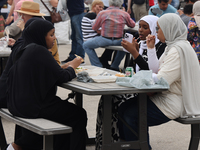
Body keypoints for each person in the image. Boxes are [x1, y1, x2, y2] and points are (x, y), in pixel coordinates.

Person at [118, 13, 200, 150]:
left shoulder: (177, 50)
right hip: (164, 96)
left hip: (174, 101)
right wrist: (150, 49)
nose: (156, 32)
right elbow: (155, 70)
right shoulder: (172, 46)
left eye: (158, 29)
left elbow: (162, 80)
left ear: (169, 29)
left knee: (131, 116)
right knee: (123, 108)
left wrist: (137, 78)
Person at [6, 19, 87, 150]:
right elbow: (62, 77)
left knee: (64, 113)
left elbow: (53, 71)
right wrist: (73, 66)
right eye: (51, 35)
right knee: (78, 114)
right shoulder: (39, 50)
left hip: (16, 104)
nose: (54, 38)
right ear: (40, 35)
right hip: (32, 106)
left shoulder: (27, 47)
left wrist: (65, 67)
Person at [95, 15, 166, 150]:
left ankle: (136, 145)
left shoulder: (160, 47)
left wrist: (135, 53)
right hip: (137, 88)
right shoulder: (142, 44)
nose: (140, 30)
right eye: (139, 27)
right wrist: (134, 51)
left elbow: (150, 73)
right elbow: (133, 71)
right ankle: (112, 141)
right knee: (108, 101)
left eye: (145, 28)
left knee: (123, 107)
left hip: (151, 92)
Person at [83, 0, 135, 71]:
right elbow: (132, 25)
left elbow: (95, 27)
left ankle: (97, 65)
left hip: (104, 39)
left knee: (86, 45)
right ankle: (115, 65)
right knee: (125, 44)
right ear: (121, 3)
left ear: (109, 3)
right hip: (118, 40)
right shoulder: (124, 14)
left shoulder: (103, 13)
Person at [61, 0, 85, 64]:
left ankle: (80, 58)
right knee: (74, 37)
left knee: (79, 37)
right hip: (73, 13)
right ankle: (73, 56)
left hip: (77, 13)